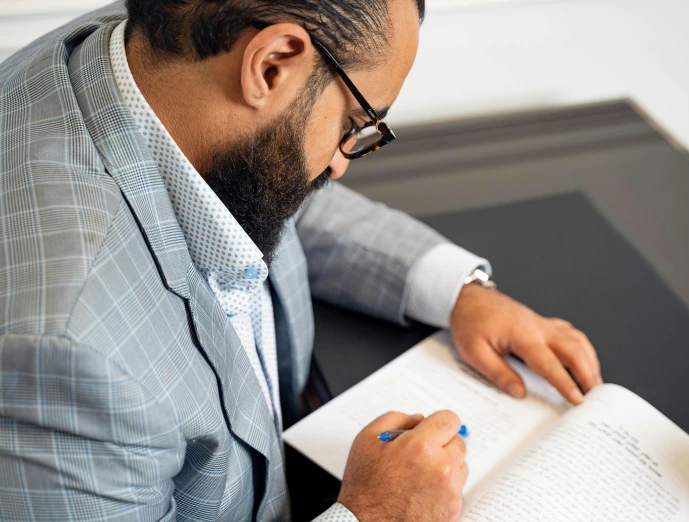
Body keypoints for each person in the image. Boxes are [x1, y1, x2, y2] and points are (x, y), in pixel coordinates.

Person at [0, 0, 602, 520]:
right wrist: (374, 515)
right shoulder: (64, 359)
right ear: (271, 64)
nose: (342, 163)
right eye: (356, 124)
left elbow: (279, 184)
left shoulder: (154, 55)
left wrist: (458, 291)